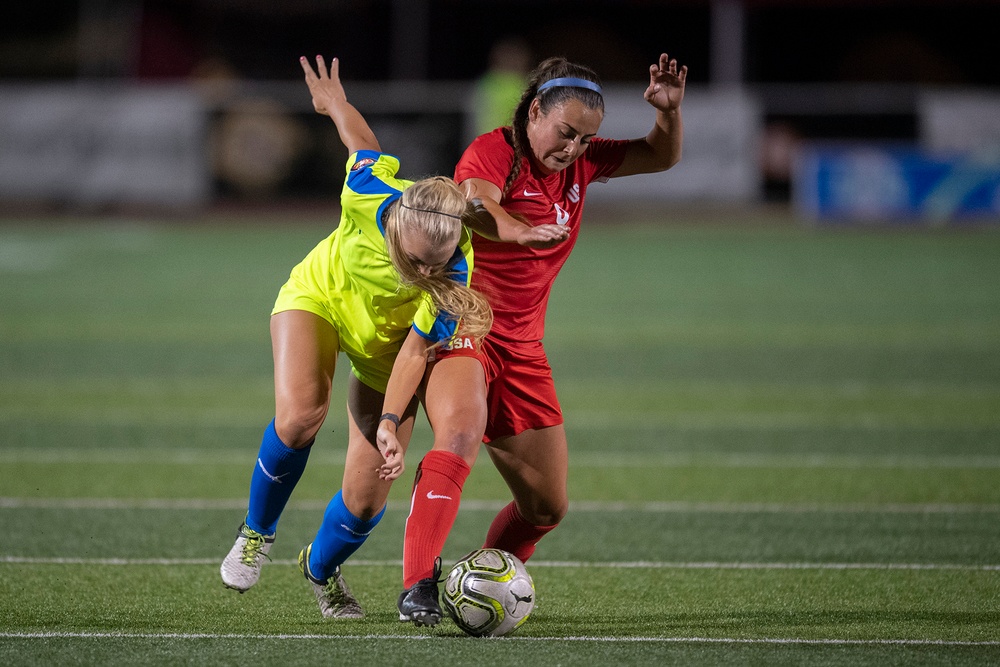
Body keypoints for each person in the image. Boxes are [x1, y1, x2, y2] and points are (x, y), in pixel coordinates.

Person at [378, 52, 687, 627]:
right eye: (566, 133)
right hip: (462, 324)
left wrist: (668, 114)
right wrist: (519, 229)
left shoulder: (581, 163)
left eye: (584, 139)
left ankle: (490, 580)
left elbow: (659, 155)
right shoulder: (495, 151)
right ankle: (418, 586)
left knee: (546, 507)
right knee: (461, 432)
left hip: (524, 347)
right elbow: (476, 202)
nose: (573, 148)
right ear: (535, 110)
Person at [218, 54, 497, 619]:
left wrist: (392, 423)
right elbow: (360, 139)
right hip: (319, 299)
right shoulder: (369, 193)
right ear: (397, 228)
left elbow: (416, 351)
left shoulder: (454, 268)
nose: (425, 274)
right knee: (301, 415)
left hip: (388, 348)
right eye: (416, 262)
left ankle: (319, 568)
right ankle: (257, 531)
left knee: (366, 499)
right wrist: (334, 103)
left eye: (436, 266)